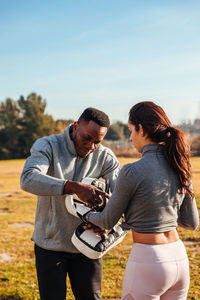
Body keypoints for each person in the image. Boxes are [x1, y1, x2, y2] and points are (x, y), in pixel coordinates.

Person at [85, 101, 199, 300]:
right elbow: (192, 223)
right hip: (179, 258)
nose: (130, 138)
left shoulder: (131, 171)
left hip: (149, 261)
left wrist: (83, 212)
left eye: (131, 131)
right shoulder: (181, 166)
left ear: (141, 129)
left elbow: (106, 221)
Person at [20, 107, 120, 300]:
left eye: (97, 141)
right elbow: (28, 178)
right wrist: (72, 187)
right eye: (87, 138)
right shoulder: (47, 145)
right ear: (76, 127)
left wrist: (110, 222)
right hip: (50, 245)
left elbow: (120, 196)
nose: (91, 145)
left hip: (88, 245)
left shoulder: (106, 157)